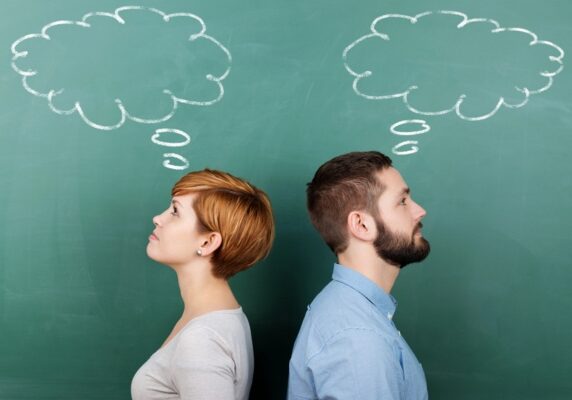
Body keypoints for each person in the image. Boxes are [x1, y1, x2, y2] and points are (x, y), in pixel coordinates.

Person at [288, 151, 430, 399]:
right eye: (403, 201)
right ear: (362, 225)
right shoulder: (359, 340)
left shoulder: (354, 316)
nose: (420, 211)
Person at [131, 169, 274, 400]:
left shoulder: (202, 338)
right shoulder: (218, 317)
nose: (158, 218)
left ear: (208, 242)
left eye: (175, 211)